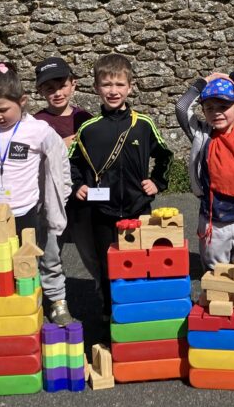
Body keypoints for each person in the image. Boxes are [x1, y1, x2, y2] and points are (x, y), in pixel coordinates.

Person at [70, 54, 172, 317]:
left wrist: (158, 182)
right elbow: (72, 162)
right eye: (106, 85)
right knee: (109, 265)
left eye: (119, 85)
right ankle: (110, 313)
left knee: (142, 260)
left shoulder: (143, 124)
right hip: (102, 211)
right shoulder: (89, 129)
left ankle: (141, 312)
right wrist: (77, 184)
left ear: (130, 86)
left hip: (138, 208)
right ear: (96, 88)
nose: (113, 91)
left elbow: (165, 155)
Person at [0, 62, 74, 326]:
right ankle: (5, 304)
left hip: (26, 211)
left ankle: (55, 300)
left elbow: (59, 161)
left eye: (4, 109)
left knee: (40, 258)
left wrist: (59, 197)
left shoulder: (38, 129)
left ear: (23, 101)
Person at [176, 72, 234, 288]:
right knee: (216, 278)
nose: (217, 113)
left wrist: (233, 77)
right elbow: (182, 108)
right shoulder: (202, 134)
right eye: (209, 108)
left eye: (223, 106)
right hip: (214, 221)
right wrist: (204, 82)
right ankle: (217, 317)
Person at [33, 56, 94, 311]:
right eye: (49, 88)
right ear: (40, 92)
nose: (57, 93)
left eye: (61, 85)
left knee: (91, 251)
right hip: (50, 197)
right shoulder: (35, 123)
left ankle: (103, 296)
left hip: (81, 198)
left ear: (73, 85)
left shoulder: (86, 119)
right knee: (49, 252)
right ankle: (56, 300)